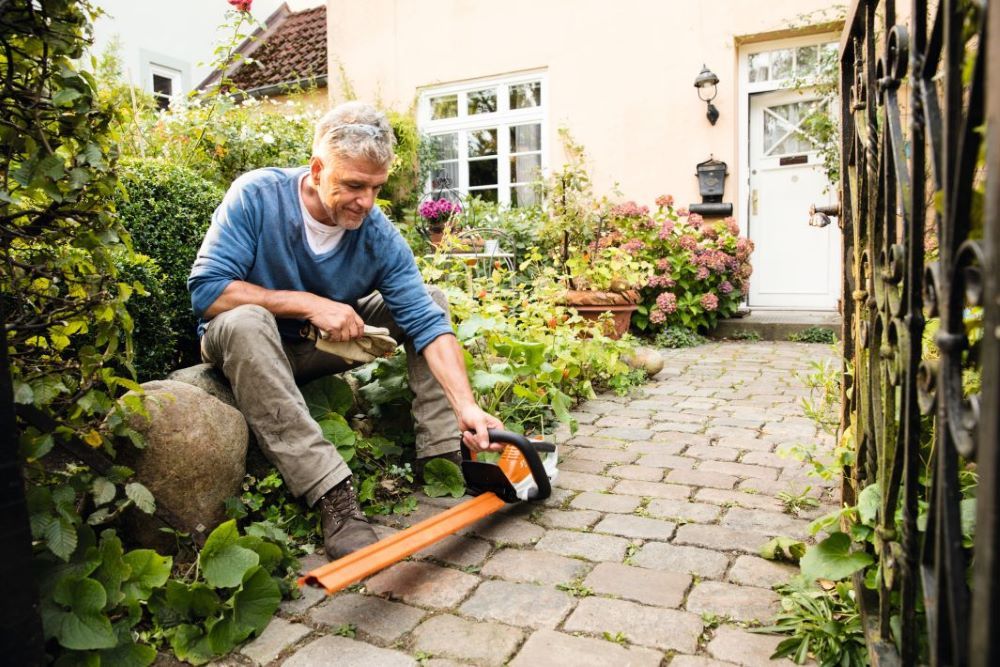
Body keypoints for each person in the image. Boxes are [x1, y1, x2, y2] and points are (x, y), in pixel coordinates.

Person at [188, 101, 503, 560]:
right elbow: (208, 292)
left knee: (431, 301)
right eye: (354, 185)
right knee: (246, 318)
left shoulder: (376, 234)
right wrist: (309, 303)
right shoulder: (257, 196)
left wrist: (466, 405)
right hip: (249, 345)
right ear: (317, 169)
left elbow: (427, 324)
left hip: (321, 348)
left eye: (376, 187)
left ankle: (441, 458)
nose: (367, 202)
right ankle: (332, 494)